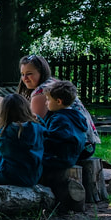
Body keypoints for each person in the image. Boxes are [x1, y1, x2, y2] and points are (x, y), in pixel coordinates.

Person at [18, 54, 100, 159]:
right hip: (87, 145)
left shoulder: (42, 92)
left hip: (72, 148)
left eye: (29, 74)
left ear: (41, 73)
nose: (25, 78)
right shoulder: (54, 84)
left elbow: (33, 126)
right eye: (22, 74)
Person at [39, 80, 88, 212]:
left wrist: (39, 131)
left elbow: (53, 139)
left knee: (34, 162)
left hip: (59, 157)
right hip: (71, 155)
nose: (46, 103)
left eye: (48, 100)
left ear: (58, 101)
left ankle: (50, 202)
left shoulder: (59, 119)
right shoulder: (75, 115)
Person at [0, 94, 44, 188]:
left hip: (15, 175)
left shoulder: (9, 131)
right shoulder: (37, 126)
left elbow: (1, 145)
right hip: (34, 174)